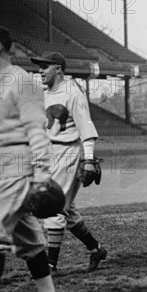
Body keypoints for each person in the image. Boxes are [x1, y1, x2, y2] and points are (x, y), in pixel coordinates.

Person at [0, 27, 63, 292]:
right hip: (2, 170)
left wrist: (40, 173)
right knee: (30, 242)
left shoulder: (21, 81)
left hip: (16, 170)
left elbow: (37, 131)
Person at [30, 51, 107, 274]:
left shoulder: (73, 93)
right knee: (67, 209)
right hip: (47, 153)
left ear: (58, 69)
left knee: (51, 205)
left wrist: (90, 158)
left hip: (67, 153)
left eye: (45, 67)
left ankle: (50, 264)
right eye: (39, 67)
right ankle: (96, 249)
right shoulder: (46, 94)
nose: (40, 71)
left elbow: (86, 128)